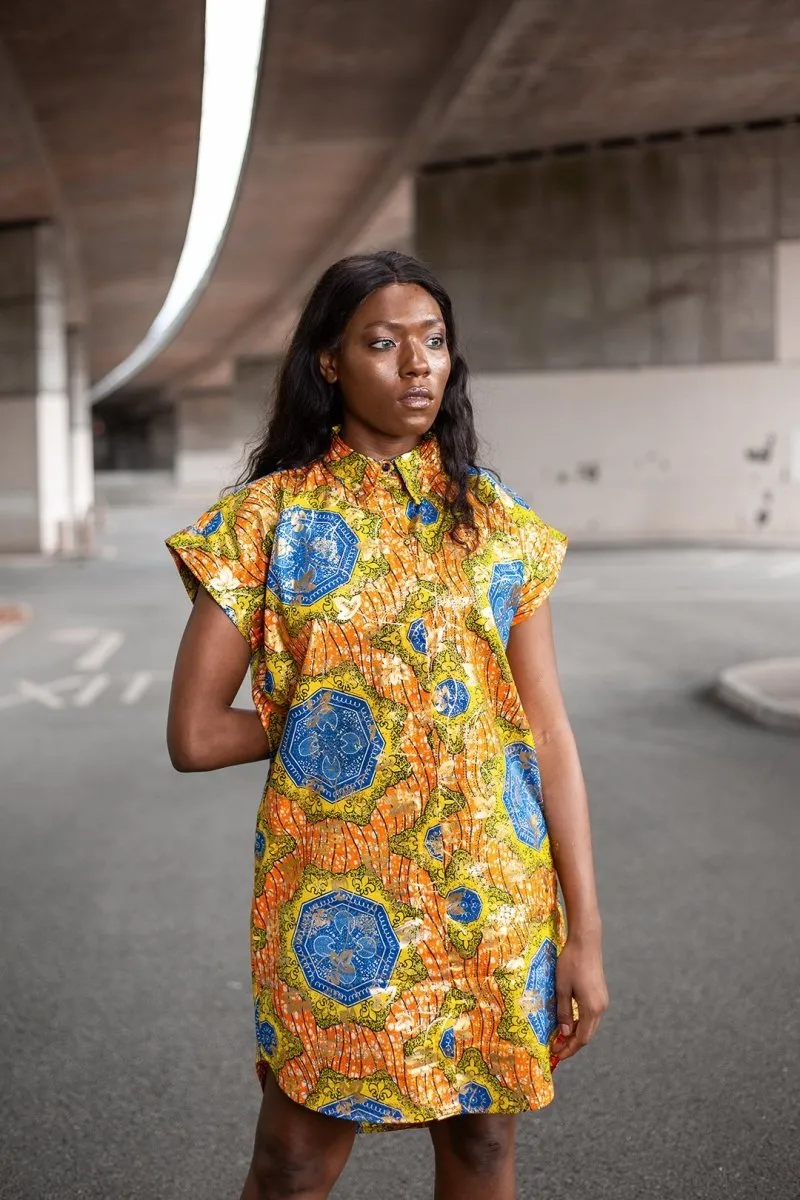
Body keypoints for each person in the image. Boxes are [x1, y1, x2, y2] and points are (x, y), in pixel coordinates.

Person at [165, 250, 608, 1200]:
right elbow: (196, 734)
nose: (418, 365)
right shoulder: (265, 523)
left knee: (484, 1148)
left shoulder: (496, 522)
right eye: (383, 343)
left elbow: (550, 734)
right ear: (329, 363)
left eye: (434, 342)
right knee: (293, 1161)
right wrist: (325, 724)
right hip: (337, 906)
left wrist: (587, 934)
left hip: (494, 895)